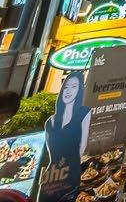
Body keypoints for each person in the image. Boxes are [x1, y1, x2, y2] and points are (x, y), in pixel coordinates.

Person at [39, 71, 91, 202]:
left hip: (71, 174)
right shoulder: (50, 122)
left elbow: (82, 148)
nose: (68, 91)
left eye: (74, 86)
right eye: (66, 87)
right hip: (51, 178)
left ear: (79, 90)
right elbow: (50, 154)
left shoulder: (84, 113)